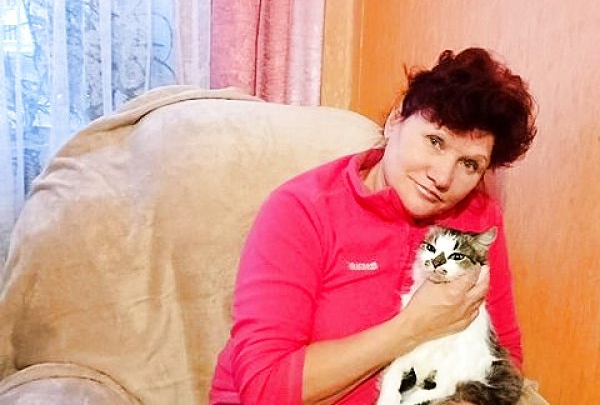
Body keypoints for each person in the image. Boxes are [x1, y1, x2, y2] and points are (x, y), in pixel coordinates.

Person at [210, 47, 545, 405]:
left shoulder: (477, 219)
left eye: (469, 164)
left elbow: (503, 357)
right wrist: (414, 326)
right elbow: (265, 387)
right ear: (396, 119)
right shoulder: (301, 210)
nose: (443, 177)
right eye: (435, 142)